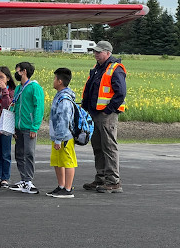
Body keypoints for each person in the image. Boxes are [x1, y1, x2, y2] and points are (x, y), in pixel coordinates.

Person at [81, 40, 126, 193]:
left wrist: (108, 110)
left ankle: (113, 181)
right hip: (95, 113)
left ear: (108, 53)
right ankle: (101, 178)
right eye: (95, 52)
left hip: (106, 115)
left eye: (98, 52)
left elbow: (121, 93)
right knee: (98, 147)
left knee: (109, 147)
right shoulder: (97, 68)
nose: (96, 54)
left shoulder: (115, 69)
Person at [9, 62, 44, 194]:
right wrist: (13, 127)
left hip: (29, 127)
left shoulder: (35, 88)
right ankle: (23, 179)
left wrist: (34, 127)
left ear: (24, 71)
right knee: (19, 154)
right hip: (18, 127)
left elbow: (39, 108)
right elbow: (15, 107)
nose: (15, 73)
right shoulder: (18, 88)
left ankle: (28, 180)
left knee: (29, 153)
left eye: (17, 71)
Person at [46, 68, 77, 198]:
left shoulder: (64, 99)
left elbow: (64, 120)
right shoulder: (60, 96)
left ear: (59, 81)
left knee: (67, 161)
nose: (53, 81)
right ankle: (61, 186)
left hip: (64, 137)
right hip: (58, 136)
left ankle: (68, 189)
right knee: (58, 162)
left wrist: (59, 138)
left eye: (54, 79)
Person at [0, 66, 15, 189]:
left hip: (6, 126)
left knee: (6, 153)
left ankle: (5, 178)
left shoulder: (11, 91)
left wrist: (4, 91)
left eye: (2, 77)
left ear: (8, 79)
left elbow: (8, 105)